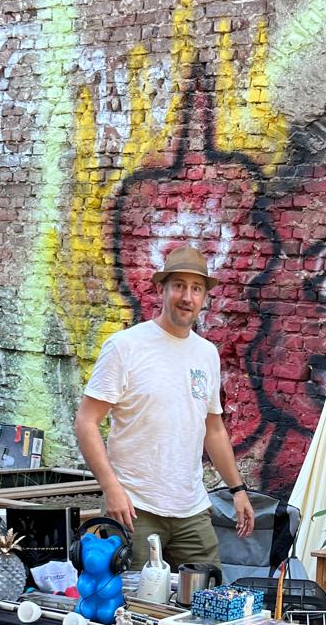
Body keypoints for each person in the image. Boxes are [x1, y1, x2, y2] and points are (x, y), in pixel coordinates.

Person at [74, 244, 253, 571]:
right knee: (132, 599)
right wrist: (111, 489)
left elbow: (213, 429)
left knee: (208, 593)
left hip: (192, 509)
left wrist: (238, 490)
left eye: (196, 288)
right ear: (162, 289)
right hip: (134, 508)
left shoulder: (207, 354)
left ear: (204, 297)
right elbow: (86, 421)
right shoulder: (125, 346)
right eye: (179, 286)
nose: (187, 297)